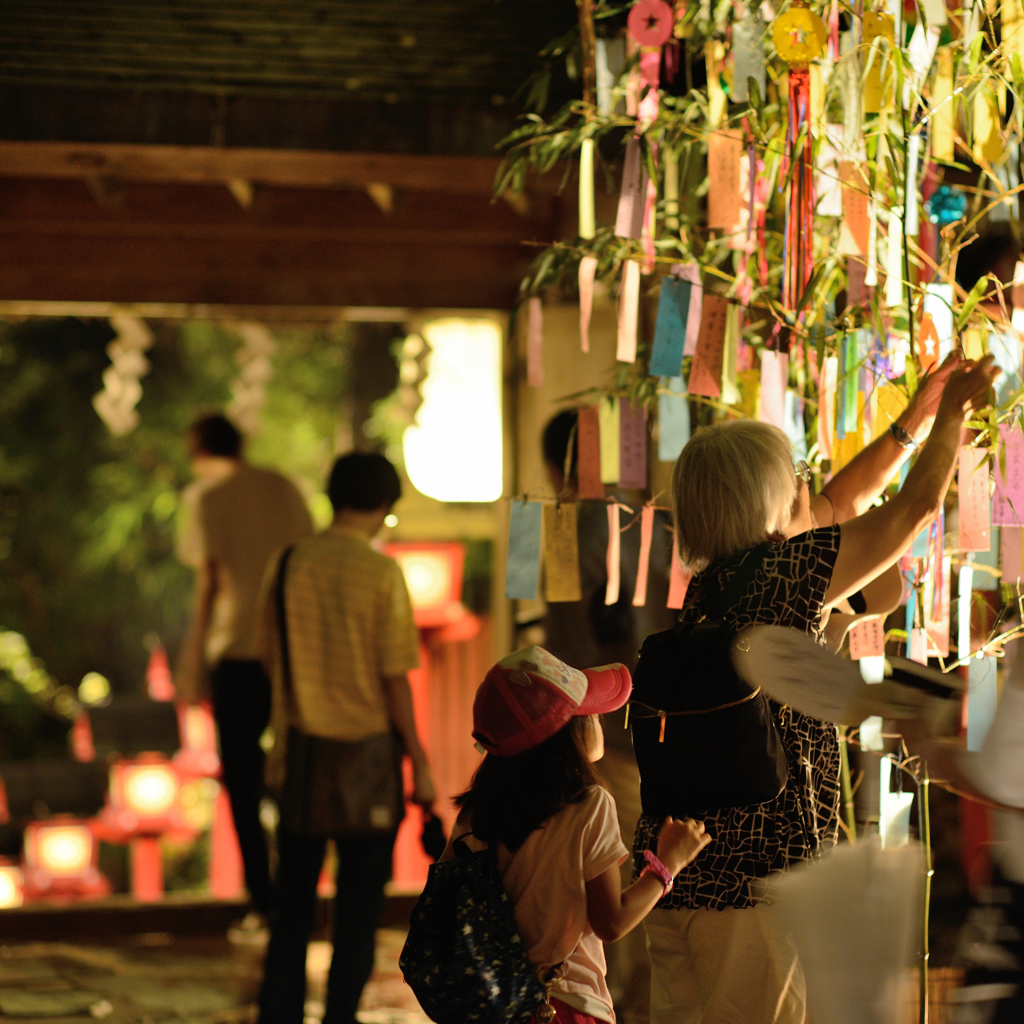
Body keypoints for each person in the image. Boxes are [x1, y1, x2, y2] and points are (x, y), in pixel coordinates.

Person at [635, 351, 1001, 1024]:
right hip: (758, 896)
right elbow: (911, 509)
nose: (809, 490)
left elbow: (841, 502)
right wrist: (954, 416)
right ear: (768, 501)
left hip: (680, 884)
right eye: (794, 479)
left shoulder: (714, 591)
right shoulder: (784, 575)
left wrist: (909, 425)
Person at [257, 452, 435, 1024]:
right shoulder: (382, 574)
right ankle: (339, 1018)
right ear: (385, 506)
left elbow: (267, 656)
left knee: (292, 911)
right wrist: (421, 762)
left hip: (300, 757)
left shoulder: (286, 564)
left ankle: (279, 1015)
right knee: (358, 913)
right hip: (368, 763)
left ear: (333, 498)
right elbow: (394, 681)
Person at [446, 645, 711, 1024]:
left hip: (491, 1004)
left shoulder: (475, 812)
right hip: (564, 1005)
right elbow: (610, 923)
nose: (599, 721)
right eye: (588, 713)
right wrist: (667, 863)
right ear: (563, 734)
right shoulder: (589, 806)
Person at [541, 409, 677, 1023]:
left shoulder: (567, 533)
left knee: (609, 890)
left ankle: (617, 1007)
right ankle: (648, 1006)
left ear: (559, 465)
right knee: (656, 882)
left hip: (601, 735)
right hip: (670, 731)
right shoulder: (665, 525)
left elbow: (566, 652)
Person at [176, 413, 313, 917]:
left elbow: (210, 585)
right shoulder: (285, 489)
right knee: (297, 767)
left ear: (199, 448)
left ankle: (262, 894)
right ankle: (298, 885)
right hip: (291, 651)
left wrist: (189, 665)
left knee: (242, 778)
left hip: (236, 654)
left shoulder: (209, 500)